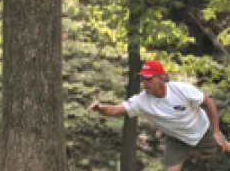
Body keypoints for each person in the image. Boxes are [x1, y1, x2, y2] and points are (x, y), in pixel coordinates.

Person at [88, 60, 229, 171]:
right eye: (143, 79)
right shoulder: (142, 101)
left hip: (201, 131)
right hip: (176, 139)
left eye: (149, 79)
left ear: (161, 78)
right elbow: (117, 110)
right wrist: (100, 108)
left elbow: (208, 103)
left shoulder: (181, 90)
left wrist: (216, 131)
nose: (145, 83)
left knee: (224, 148)